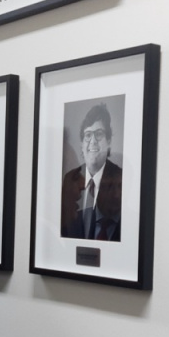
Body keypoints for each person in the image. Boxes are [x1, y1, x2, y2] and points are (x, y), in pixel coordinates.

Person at [60, 102, 123, 241]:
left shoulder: (119, 178)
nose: (93, 141)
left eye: (99, 134)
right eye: (88, 135)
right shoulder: (70, 179)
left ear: (108, 141)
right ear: (82, 144)